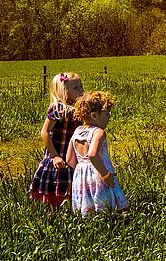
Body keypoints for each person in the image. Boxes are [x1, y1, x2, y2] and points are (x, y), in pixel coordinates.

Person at [66, 90, 129, 216]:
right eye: (106, 114)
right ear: (94, 115)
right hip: (98, 173)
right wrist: (105, 175)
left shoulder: (77, 131)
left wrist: (82, 171)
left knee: (89, 207)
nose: (109, 117)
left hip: (81, 175)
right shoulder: (98, 132)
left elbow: (69, 160)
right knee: (110, 206)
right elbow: (93, 155)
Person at [28, 72, 85, 208]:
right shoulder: (58, 109)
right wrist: (54, 156)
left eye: (81, 86)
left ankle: (72, 213)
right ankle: (53, 214)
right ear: (64, 91)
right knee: (56, 187)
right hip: (58, 154)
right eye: (76, 88)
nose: (81, 90)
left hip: (73, 156)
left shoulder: (80, 109)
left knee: (73, 187)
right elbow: (45, 132)